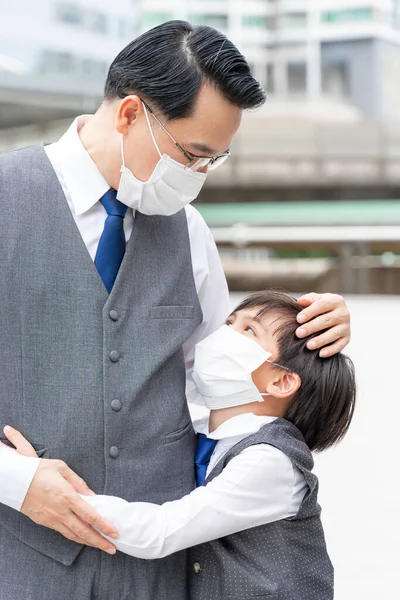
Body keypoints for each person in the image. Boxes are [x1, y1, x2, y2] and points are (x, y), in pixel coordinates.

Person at [0, 20, 351, 600]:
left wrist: (311, 330)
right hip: (19, 562)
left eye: (214, 161)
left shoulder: (189, 232)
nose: (197, 176)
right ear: (131, 114)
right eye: (192, 154)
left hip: (158, 576)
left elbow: (230, 385)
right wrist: (16, 481)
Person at [2, 290, 356, 600]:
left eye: (248, 331)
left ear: (281, 381)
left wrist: (49, 490)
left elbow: (160, 531)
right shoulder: (208, 433)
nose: (223, 334)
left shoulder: (271, 462)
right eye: (230, 322)